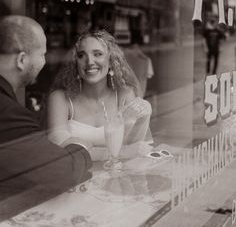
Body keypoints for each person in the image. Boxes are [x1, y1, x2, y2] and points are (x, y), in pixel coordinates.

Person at [0, 15, 92, 221]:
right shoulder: (7, 113)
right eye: (42, 54)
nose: (45, 61)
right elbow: (62, 173)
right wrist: (82, 149)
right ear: (22, 60)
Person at [47, 30, 153, 161]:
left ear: (111, 61)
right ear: (75, 63)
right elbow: (59, 147)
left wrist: (144, 115)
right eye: (81, 55)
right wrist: (121, 153)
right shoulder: (60, 99)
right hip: (76, 178)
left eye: (98, 54)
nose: (90, 61)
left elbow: (136, 148)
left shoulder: (124, 95)